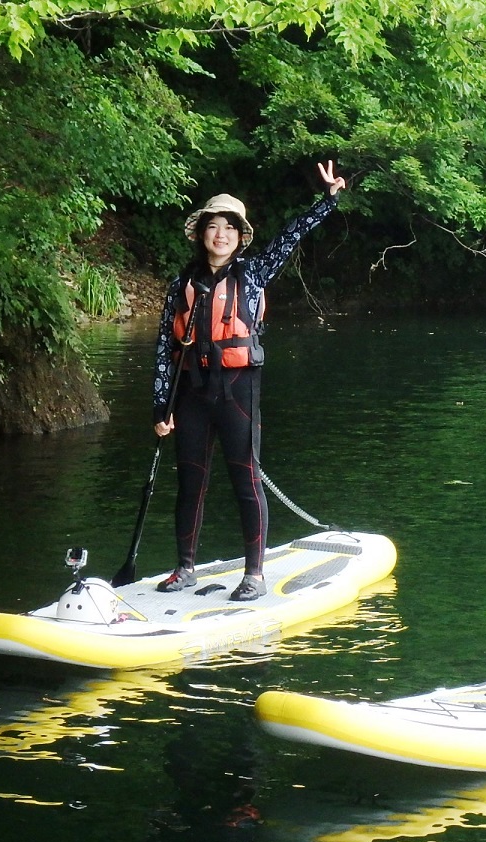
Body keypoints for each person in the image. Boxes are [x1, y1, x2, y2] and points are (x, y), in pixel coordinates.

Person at [151, 161, 347, 599]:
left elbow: (290, 236)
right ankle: (185, 568)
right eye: (213, 226)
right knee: (190, 483)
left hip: (238, 391)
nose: (220, 234)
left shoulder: (254, 274)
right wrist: (160, 408)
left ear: (240, 237)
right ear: (202, 233)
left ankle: (254, 574)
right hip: (192, 394)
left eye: (229, 228)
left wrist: (327, 201)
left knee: (246, 480)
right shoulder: (181, 283)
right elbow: (166, 349)